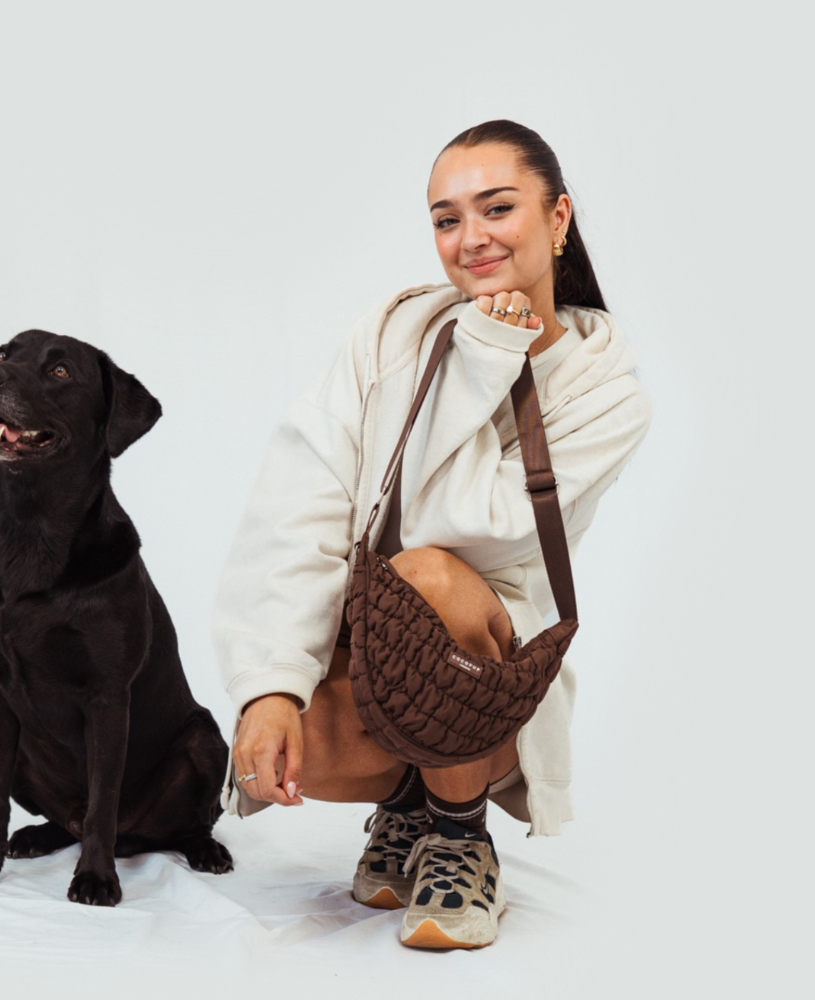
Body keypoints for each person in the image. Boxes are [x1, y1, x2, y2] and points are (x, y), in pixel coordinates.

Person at [211, 120, 652, 950]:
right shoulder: (392, 334)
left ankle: (459, 836)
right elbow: (297, 502)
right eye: (447, 219)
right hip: (375, 659)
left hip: (489, 684)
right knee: (280, 742)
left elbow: (465, 533)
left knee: (427, 575)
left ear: (558, 218)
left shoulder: (606, 393)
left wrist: (486, 355)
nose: (470, 237)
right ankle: (407, 805)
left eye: (498, 208)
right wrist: (271, 686)